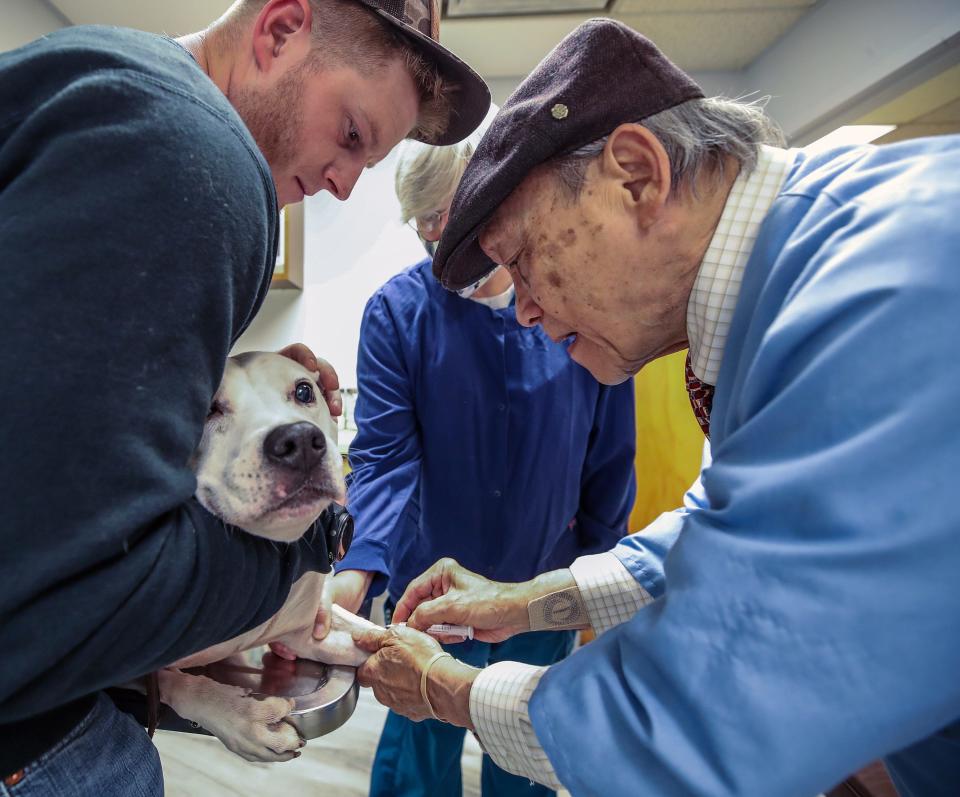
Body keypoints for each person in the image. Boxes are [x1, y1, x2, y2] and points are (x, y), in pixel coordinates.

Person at [351, 18, 960, 797]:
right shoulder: (809, 262)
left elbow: (699, 721)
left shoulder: (867, 294)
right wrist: (534, 599)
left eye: (525, 261)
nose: (524, 312)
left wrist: (451, 690)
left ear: (636, 174)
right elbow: (730, 526)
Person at [0, 0, 488, 793]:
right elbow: (75, 583)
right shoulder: (193, 150)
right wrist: (310, 542)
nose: (341, 185)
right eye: (351, 135)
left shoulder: (98, 78)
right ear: (282, 28)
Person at [331, 118, 637, 797]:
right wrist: (358, 567)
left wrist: (598, 576)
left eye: (447, 222)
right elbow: (382, 457)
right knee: (419, 756)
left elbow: (609, 455)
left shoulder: (570, 300)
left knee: (525, 755)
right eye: (421, 230)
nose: (437, 245)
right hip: (431, 591)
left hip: (542, 585)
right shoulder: (397, 314)